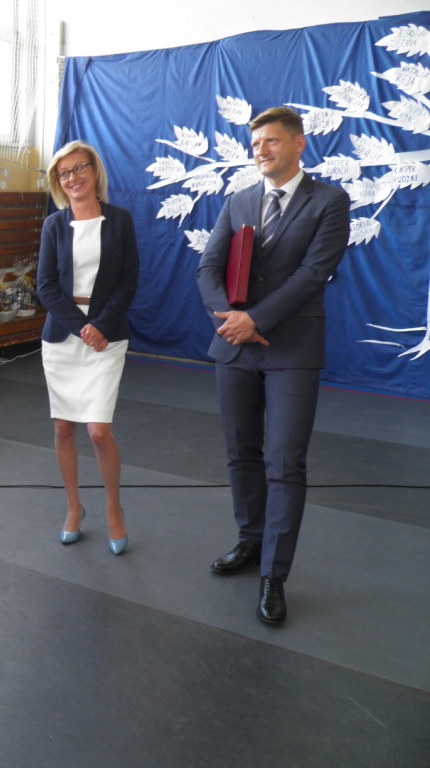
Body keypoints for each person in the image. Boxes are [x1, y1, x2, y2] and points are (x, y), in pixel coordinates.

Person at [196, 107, 350, 626]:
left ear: (299, 143)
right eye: (255, 142)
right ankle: (250, 541)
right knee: (241, 453)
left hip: (292, 351)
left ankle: (273, 574)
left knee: (285, 464)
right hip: (235, 348)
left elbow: (314, 273)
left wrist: (256, 319)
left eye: (271, 141)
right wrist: (231, 320)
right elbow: (208, 267)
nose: (261, 150)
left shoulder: (329, 201)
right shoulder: (238, 200)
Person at [37, 141, 139, 553]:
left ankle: (114, 508)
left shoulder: (120, 221)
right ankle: (74, 508)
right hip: (64, 336)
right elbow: (45, 286)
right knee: (63, 427)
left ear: (95, 171)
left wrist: (99, 327)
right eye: (64, 173)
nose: (73, 178)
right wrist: (82, 328)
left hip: (107, 336)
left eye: (80, 168)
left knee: (98, 431)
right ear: (58, 182)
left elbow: (128, 282)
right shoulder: (53, 225)